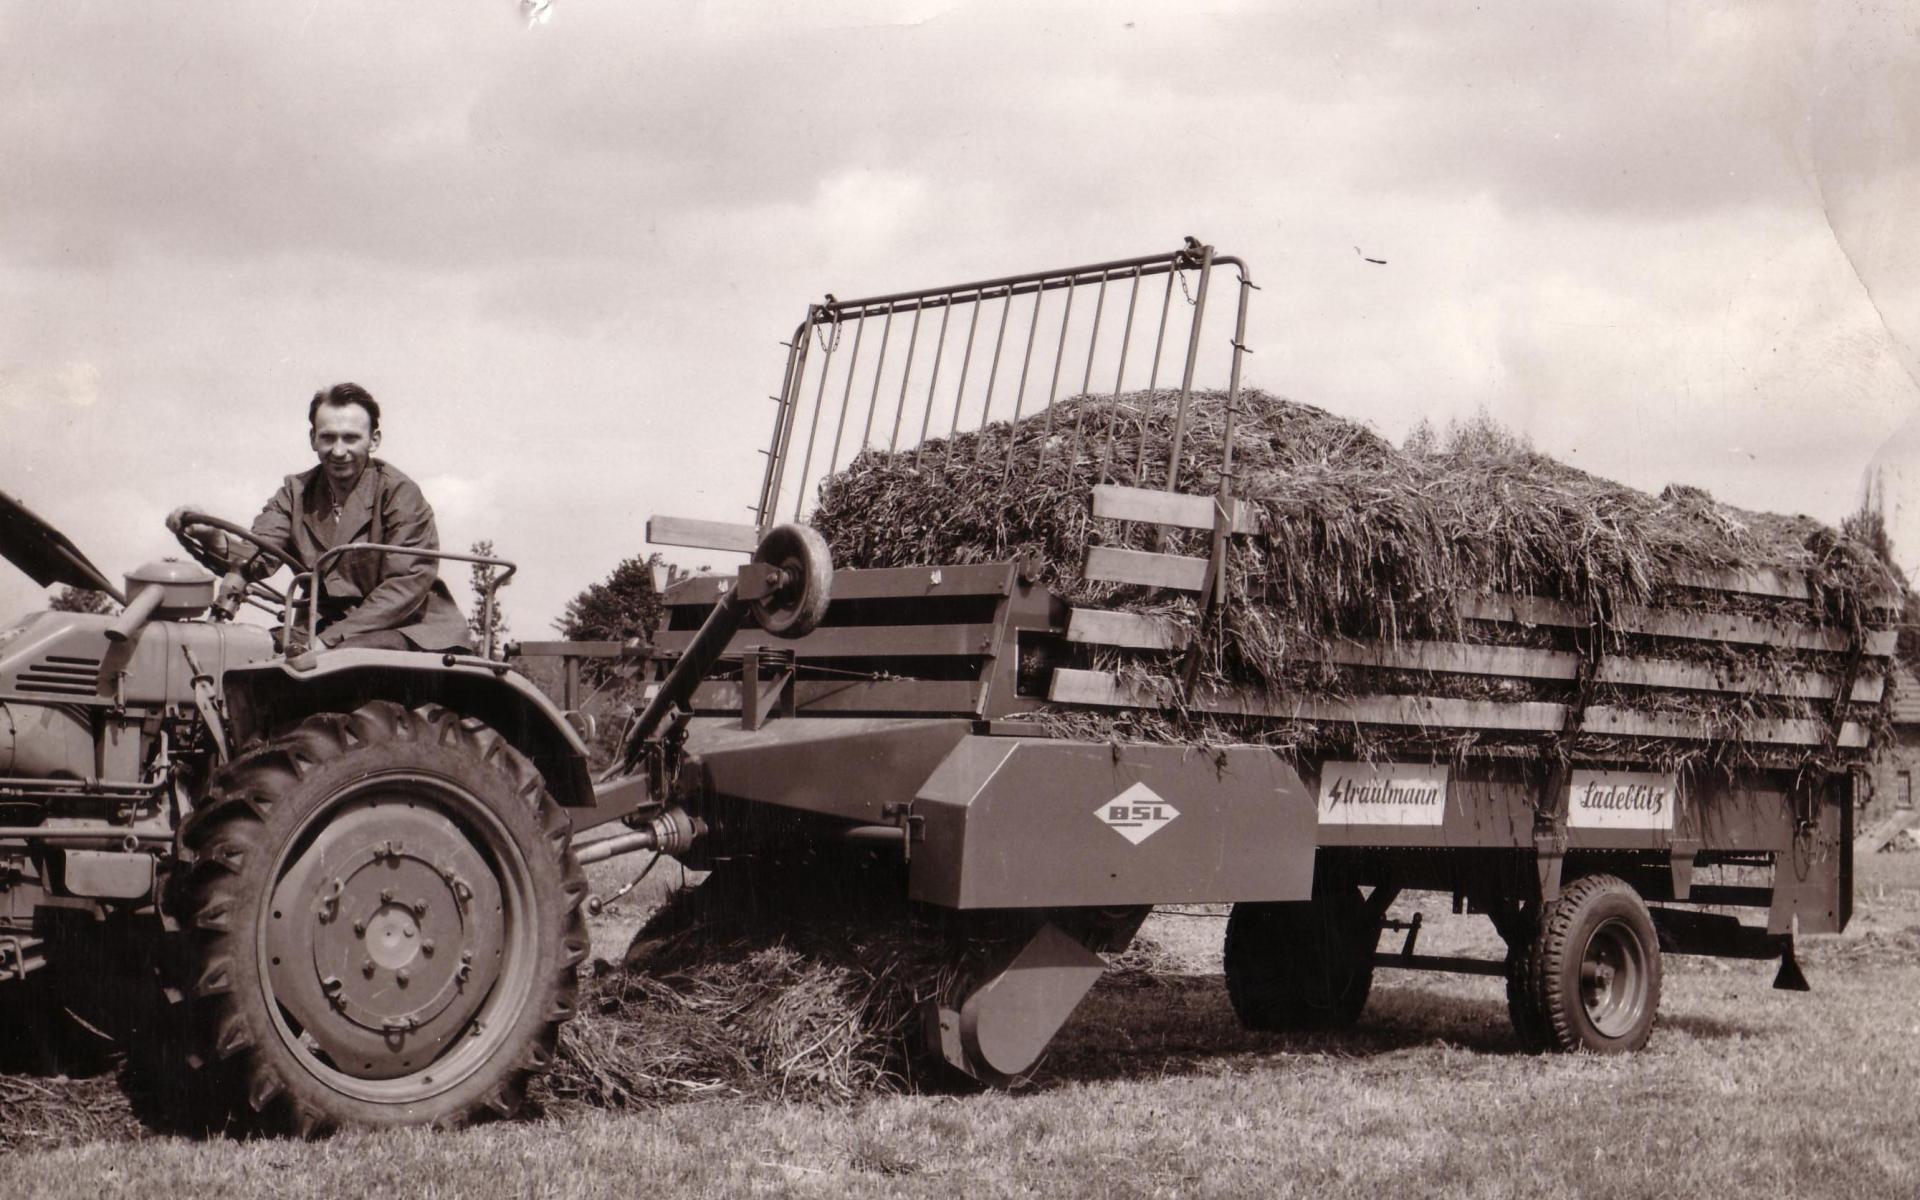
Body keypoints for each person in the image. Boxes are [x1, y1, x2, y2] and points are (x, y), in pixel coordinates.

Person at [189, 383, 473, 654]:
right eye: (328, 437)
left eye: (350, 438)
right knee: (245, 649)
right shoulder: (295, 492)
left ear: (374, 440)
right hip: (324, 628)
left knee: (337, 659)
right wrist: (211, 537)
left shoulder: (400, 494)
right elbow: (259, 555)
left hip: (406, 627)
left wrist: (329, 641)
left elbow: (404, 586)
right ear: (313, 438)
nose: (338, 451)